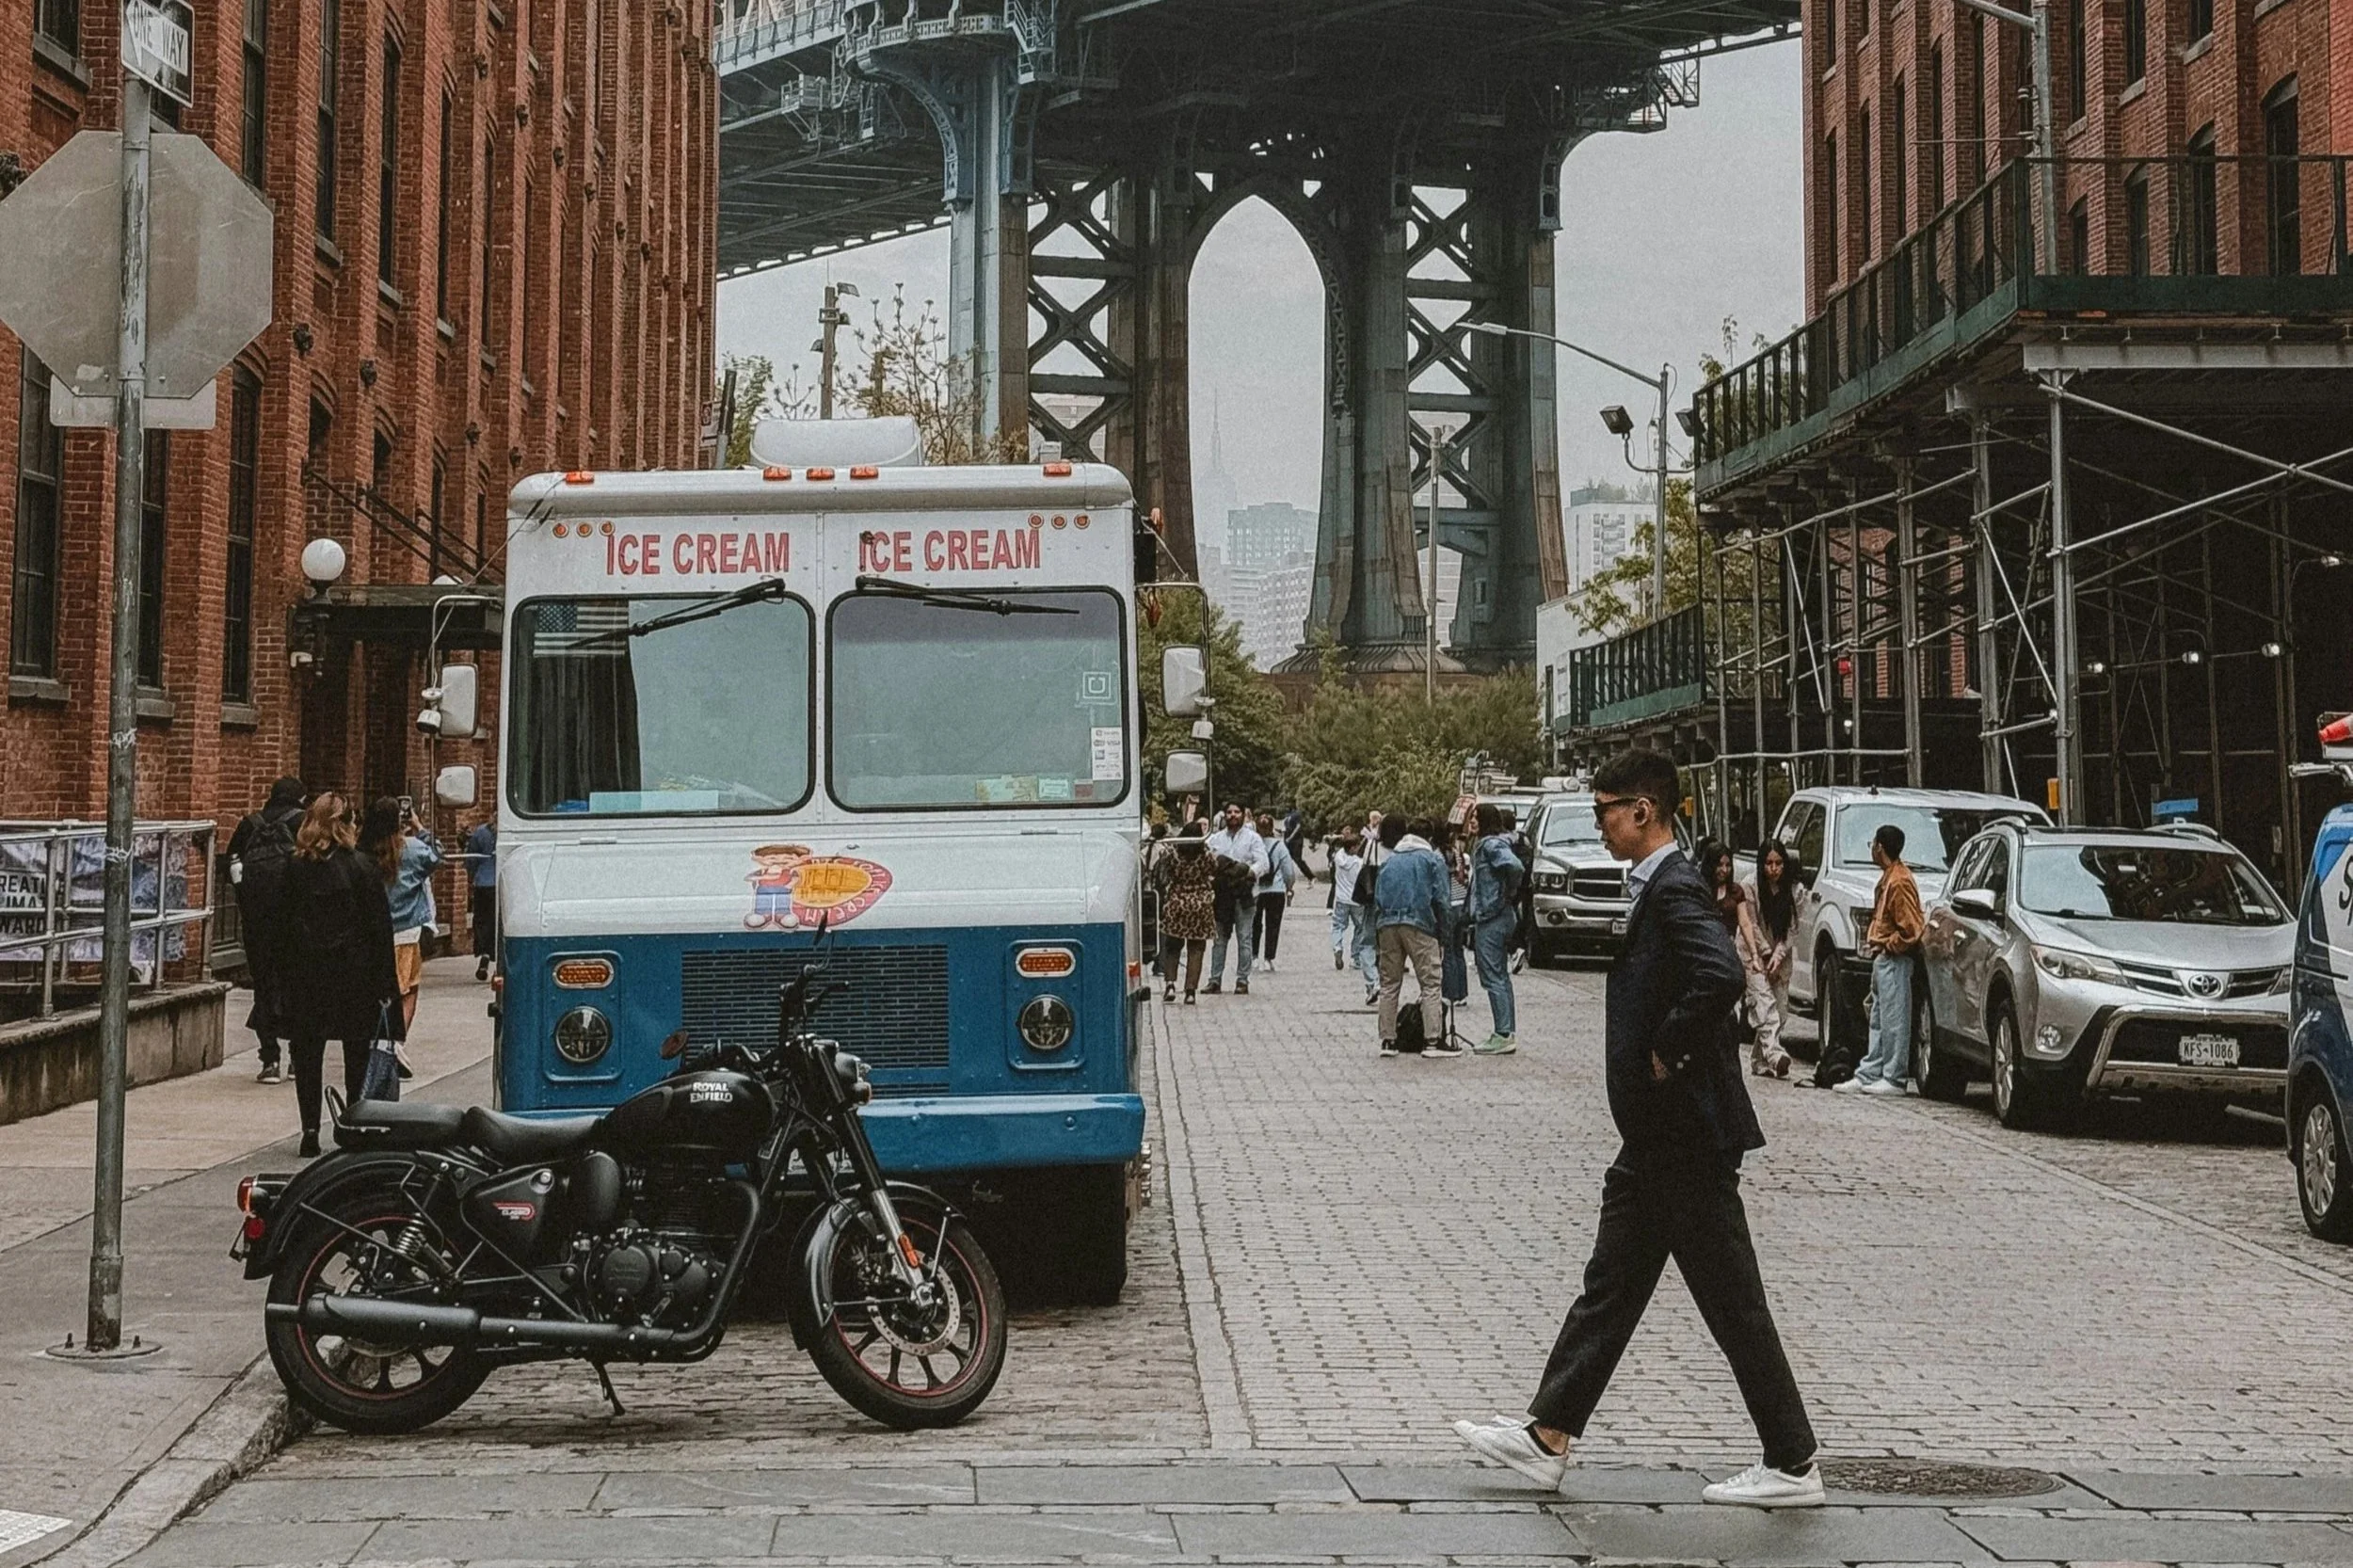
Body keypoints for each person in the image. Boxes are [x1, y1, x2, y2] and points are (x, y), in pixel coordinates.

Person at [1454, 748, 1821, 1510]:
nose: (1600, 826)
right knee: (1613, 1286)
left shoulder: (1676, 885)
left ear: (1643, 811)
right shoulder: (1663, 883)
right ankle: (1548, 1435)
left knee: (1730, 1300)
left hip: (1684, 1132)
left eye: (1605, 812)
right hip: (1663, 1137)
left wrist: (1664, 1048)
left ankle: (1791, 1461)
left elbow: (1718, 975)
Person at [278, 793, 401, 1158]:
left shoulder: (294, 867)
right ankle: (352, 1122)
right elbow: (381, 929)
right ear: (346, 823)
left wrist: (280, 979)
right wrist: (386, 984)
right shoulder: (362, 867)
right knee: (356, 1054)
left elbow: (280, 925)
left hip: (306, 976)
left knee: (307, 1055)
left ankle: (310, 1129)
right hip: (355, 976)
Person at [227, 776, 306, 1084]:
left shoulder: (250, 823)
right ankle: (298, 1059)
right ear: (300, 798)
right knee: (299, 988)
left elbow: (230, 864)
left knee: (264, 985)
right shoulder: (302, 822)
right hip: (296, 922)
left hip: (257, 923)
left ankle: (269, 1058)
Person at [1839, 823, 1923, 1097]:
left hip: (1894, 959)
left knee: (1894, 1020)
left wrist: (1889, 945)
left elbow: (1911, 929)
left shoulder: (1900, 881)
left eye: (1873, 844)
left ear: (1880, 847)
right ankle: (1870, 1072)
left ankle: (1894, 1076)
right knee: (1878, 1018)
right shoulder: (1890, 877)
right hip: (1883, 958)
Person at [1371, 814, 1455, 1059]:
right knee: (1430, 983)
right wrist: (1444, 935)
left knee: (1389, 983)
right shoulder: (1431, 860)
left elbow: (1377, 898)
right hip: (1420, 924)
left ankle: (1388, 1039)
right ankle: (1432, 1041)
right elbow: (1442, 900)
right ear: (1428, 838)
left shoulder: (1389, 861)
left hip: (1387, 924)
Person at [361, 796, 443, 1039]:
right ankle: (396, 1041)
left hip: (373, 933)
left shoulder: (362, 850)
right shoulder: (412, 849)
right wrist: (420, 828)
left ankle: (377, 1038)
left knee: (377, 992)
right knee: (408, 989)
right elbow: (437, 855)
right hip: (406, 930)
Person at [1468, 803, 1525, 1054]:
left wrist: (1505, 894)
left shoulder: (1491, 845)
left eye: (1475, 818)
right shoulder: (1492, 843)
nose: (1471, 822)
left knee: (1493, 976)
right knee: (1500, 976)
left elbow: (1514, 867)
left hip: (1493, 918)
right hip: (1498, 915)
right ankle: (1505, 1030)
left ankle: (1503, 1032)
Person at [1745, 841, 1801, 1078]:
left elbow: (1792, 929)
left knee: (1780, 1010)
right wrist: (1766, 952)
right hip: (1753, 954)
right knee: (1764, 1005)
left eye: (1778, 863)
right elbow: (1750, 923)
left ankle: (1760, 1059)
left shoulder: (1795, 891)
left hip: (1781, 955)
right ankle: (1775, 1055)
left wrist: (1778, 954)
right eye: (1769, 863)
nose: (1774, 869)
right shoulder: (1750, 885)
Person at [1201, 803, 1268, 995]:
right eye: (1229, 812)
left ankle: (1242, 979)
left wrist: (1248, 872)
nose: (1232, 815)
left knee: (1244, 938)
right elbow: (1207, 861)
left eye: (1236, 812)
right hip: (1222, 895)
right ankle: (1215, 980)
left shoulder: (1253, 839)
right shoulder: (1215, 839)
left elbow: (1263, 862)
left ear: (1243, 814)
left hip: (1245, 894)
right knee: (1219, 939)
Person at [1154, 820, 1219, 1003]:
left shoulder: (1173, 855)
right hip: (1200, 905)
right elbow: (1214, 869)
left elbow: (1164, 875)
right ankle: (1190, 991)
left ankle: (1170, 984)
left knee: (1172, 947)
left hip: (1177, 903)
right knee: (1196, 949)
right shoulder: (1205, 856)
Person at [1251, 811, 1300, 973]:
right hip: (1276, 890)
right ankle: (1269, 958)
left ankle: (1254, 956)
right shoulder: (1280, 846)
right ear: (1272, 827)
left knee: (1255, 924)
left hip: (1256, 890)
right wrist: (1289, 887)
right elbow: (1289, 871)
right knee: (1273, 925)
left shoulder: (1253, 844)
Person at [1328, 829, 1368, 974]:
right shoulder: (1358, 863)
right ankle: (1355, 957)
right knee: (1360, 928)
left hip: (1341, 898)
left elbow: (1337, 846)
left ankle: (1337, 947)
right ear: (1352, 848)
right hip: (1356, 900)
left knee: (1338, 925)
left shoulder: (1339, 857)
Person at [465, 815, 498, 983]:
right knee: (497, 923)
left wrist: (472, 876)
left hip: (483, 884)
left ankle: (484, 952)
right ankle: (497, 957)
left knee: (482, 921)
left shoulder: (480, 833)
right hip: (501, 883)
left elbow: (471, 859)